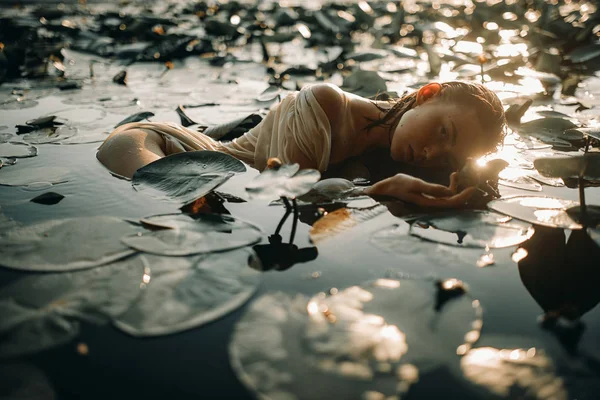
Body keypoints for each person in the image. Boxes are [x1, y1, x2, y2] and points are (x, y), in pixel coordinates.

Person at [96, 81, 505, 207]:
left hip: (213, 177)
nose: (433, 153)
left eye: (447, 153)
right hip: (156, 145)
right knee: (169, 194)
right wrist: (386, 189)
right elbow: (287, 195)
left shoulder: (387, 147)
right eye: (443, 133)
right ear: (427, 94)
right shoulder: (326, 104)